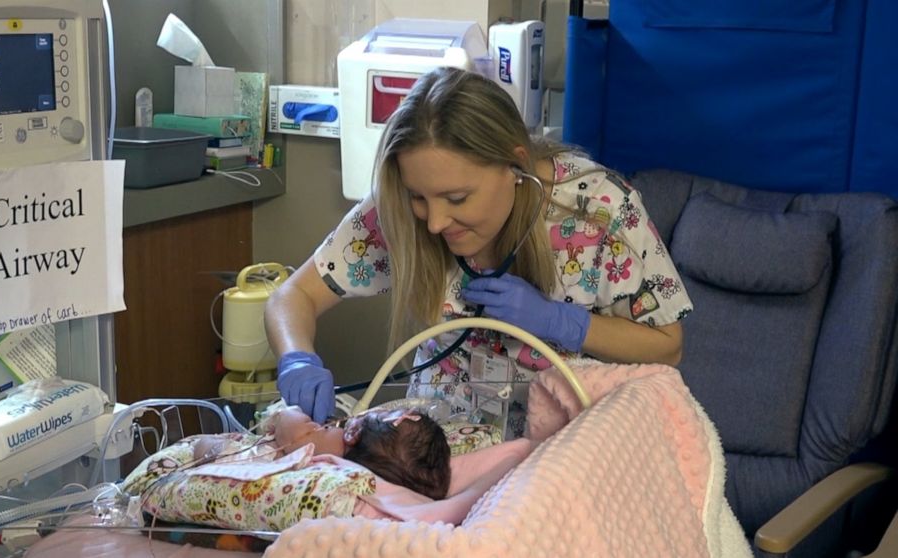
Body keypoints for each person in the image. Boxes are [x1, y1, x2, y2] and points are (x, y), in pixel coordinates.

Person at [264, 66, 693, 436]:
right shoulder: (398, 208)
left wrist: (565, 323)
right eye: (420, 197)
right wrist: (296, 359)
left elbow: (667, 346)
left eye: (457, 198)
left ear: (515, 166)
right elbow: (293, 296)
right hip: (436, 446)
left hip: (561, 458)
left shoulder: (599, 210)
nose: (433, 222)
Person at [192, 405, 452, 501]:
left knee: (204, 447)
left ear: (354, 432)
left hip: (245, 462)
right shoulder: (358, 475)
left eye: (381, 412)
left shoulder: (329, 441)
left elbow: (290, 423)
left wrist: (289, 411)